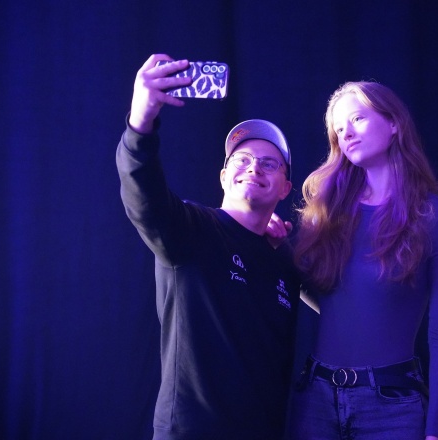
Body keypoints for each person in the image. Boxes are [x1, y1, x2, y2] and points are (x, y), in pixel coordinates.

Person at [116, 54, 301, 440]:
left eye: (269, 164)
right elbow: (143, 193)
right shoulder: (191, 230)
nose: (254, 168)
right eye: (242, 159)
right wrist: (141, 121)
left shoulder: (285, 262)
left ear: (285, 188)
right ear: (223, 176)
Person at [284, 81, 438, 440]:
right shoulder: (326, 213)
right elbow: (307, 286)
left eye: (357, 119)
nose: (347, 134)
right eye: (338, 129)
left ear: (394, 123)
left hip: (391, 406)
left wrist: (436, 431)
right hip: (316, 400)